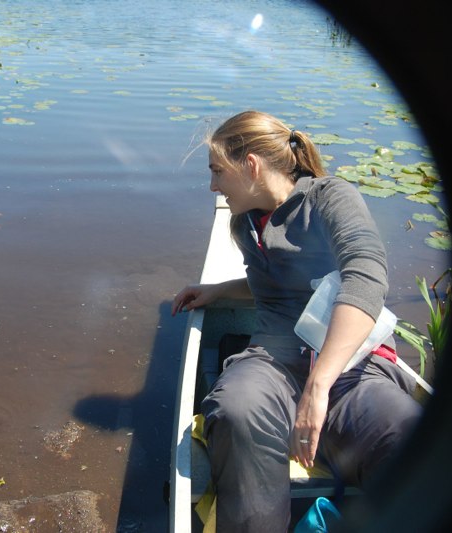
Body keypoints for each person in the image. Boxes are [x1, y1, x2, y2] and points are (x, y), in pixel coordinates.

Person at [172, 110, 422, 532]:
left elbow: (365, 275)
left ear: (250, 165)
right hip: (271, 360)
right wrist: (218, 291)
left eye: (217, 171)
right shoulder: (244, 224)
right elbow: (271, 281)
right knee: (236, 411)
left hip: (350, 367)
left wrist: (318, 386)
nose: (213, 186)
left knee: (405, 434)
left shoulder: (329, 198)